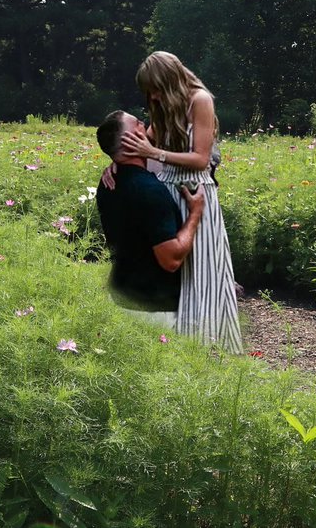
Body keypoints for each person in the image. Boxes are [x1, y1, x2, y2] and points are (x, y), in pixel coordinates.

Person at [110, 51, 244, 353]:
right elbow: (141, 144)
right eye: (149, 91)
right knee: (172, 274)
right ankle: (177, 345)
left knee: (203, 272)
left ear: (169, 80)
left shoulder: (200, 100)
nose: (152, 96)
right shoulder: (163, 105)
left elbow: (199, 158)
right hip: (167, 190)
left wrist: (153, 154)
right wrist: (116, 164)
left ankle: (210, 346)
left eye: (155, 88)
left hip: (194, 190)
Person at [95, 111, 205, 327]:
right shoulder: (150, 190)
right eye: (137, 124)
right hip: (155, 308)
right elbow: (170, 260)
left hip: (121, 296)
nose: (143, 124)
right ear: (129, 143)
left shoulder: (108, 184)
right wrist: (195, 214)